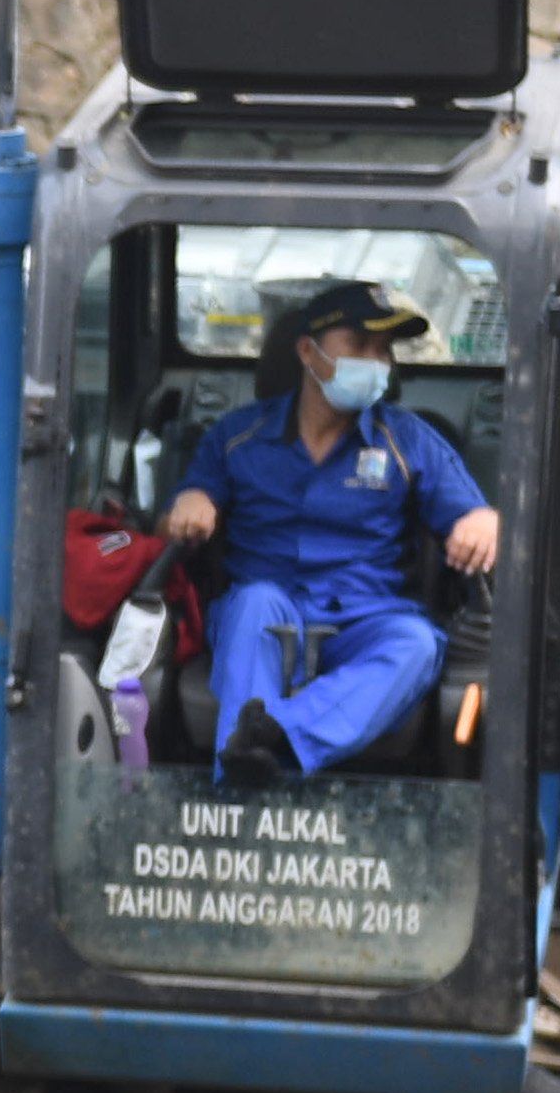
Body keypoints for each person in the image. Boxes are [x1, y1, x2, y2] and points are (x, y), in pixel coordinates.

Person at [157, 280, 499, 783]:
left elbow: (475, 516)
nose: (376, 362)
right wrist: (189, 504)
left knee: (418, 644)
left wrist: (484, 521)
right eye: (359, 347)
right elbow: (173, 520)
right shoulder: (237, 436)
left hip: (366, 617)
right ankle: (239, 788)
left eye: (384, 351)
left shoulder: (406, 439)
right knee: (253, 605)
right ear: (307, 352)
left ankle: (275, 744)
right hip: (267, 614)